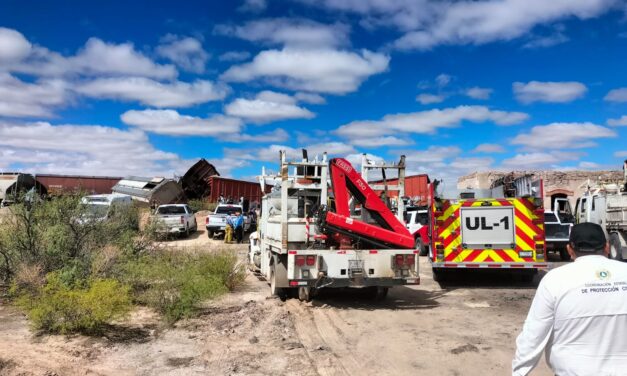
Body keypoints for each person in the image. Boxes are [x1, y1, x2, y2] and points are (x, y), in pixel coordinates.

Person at [512, 223, 627, 375]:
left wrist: (519, 372)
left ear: (570, 250)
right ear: (606, 247)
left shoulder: (555, 280)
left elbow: (534, 333)